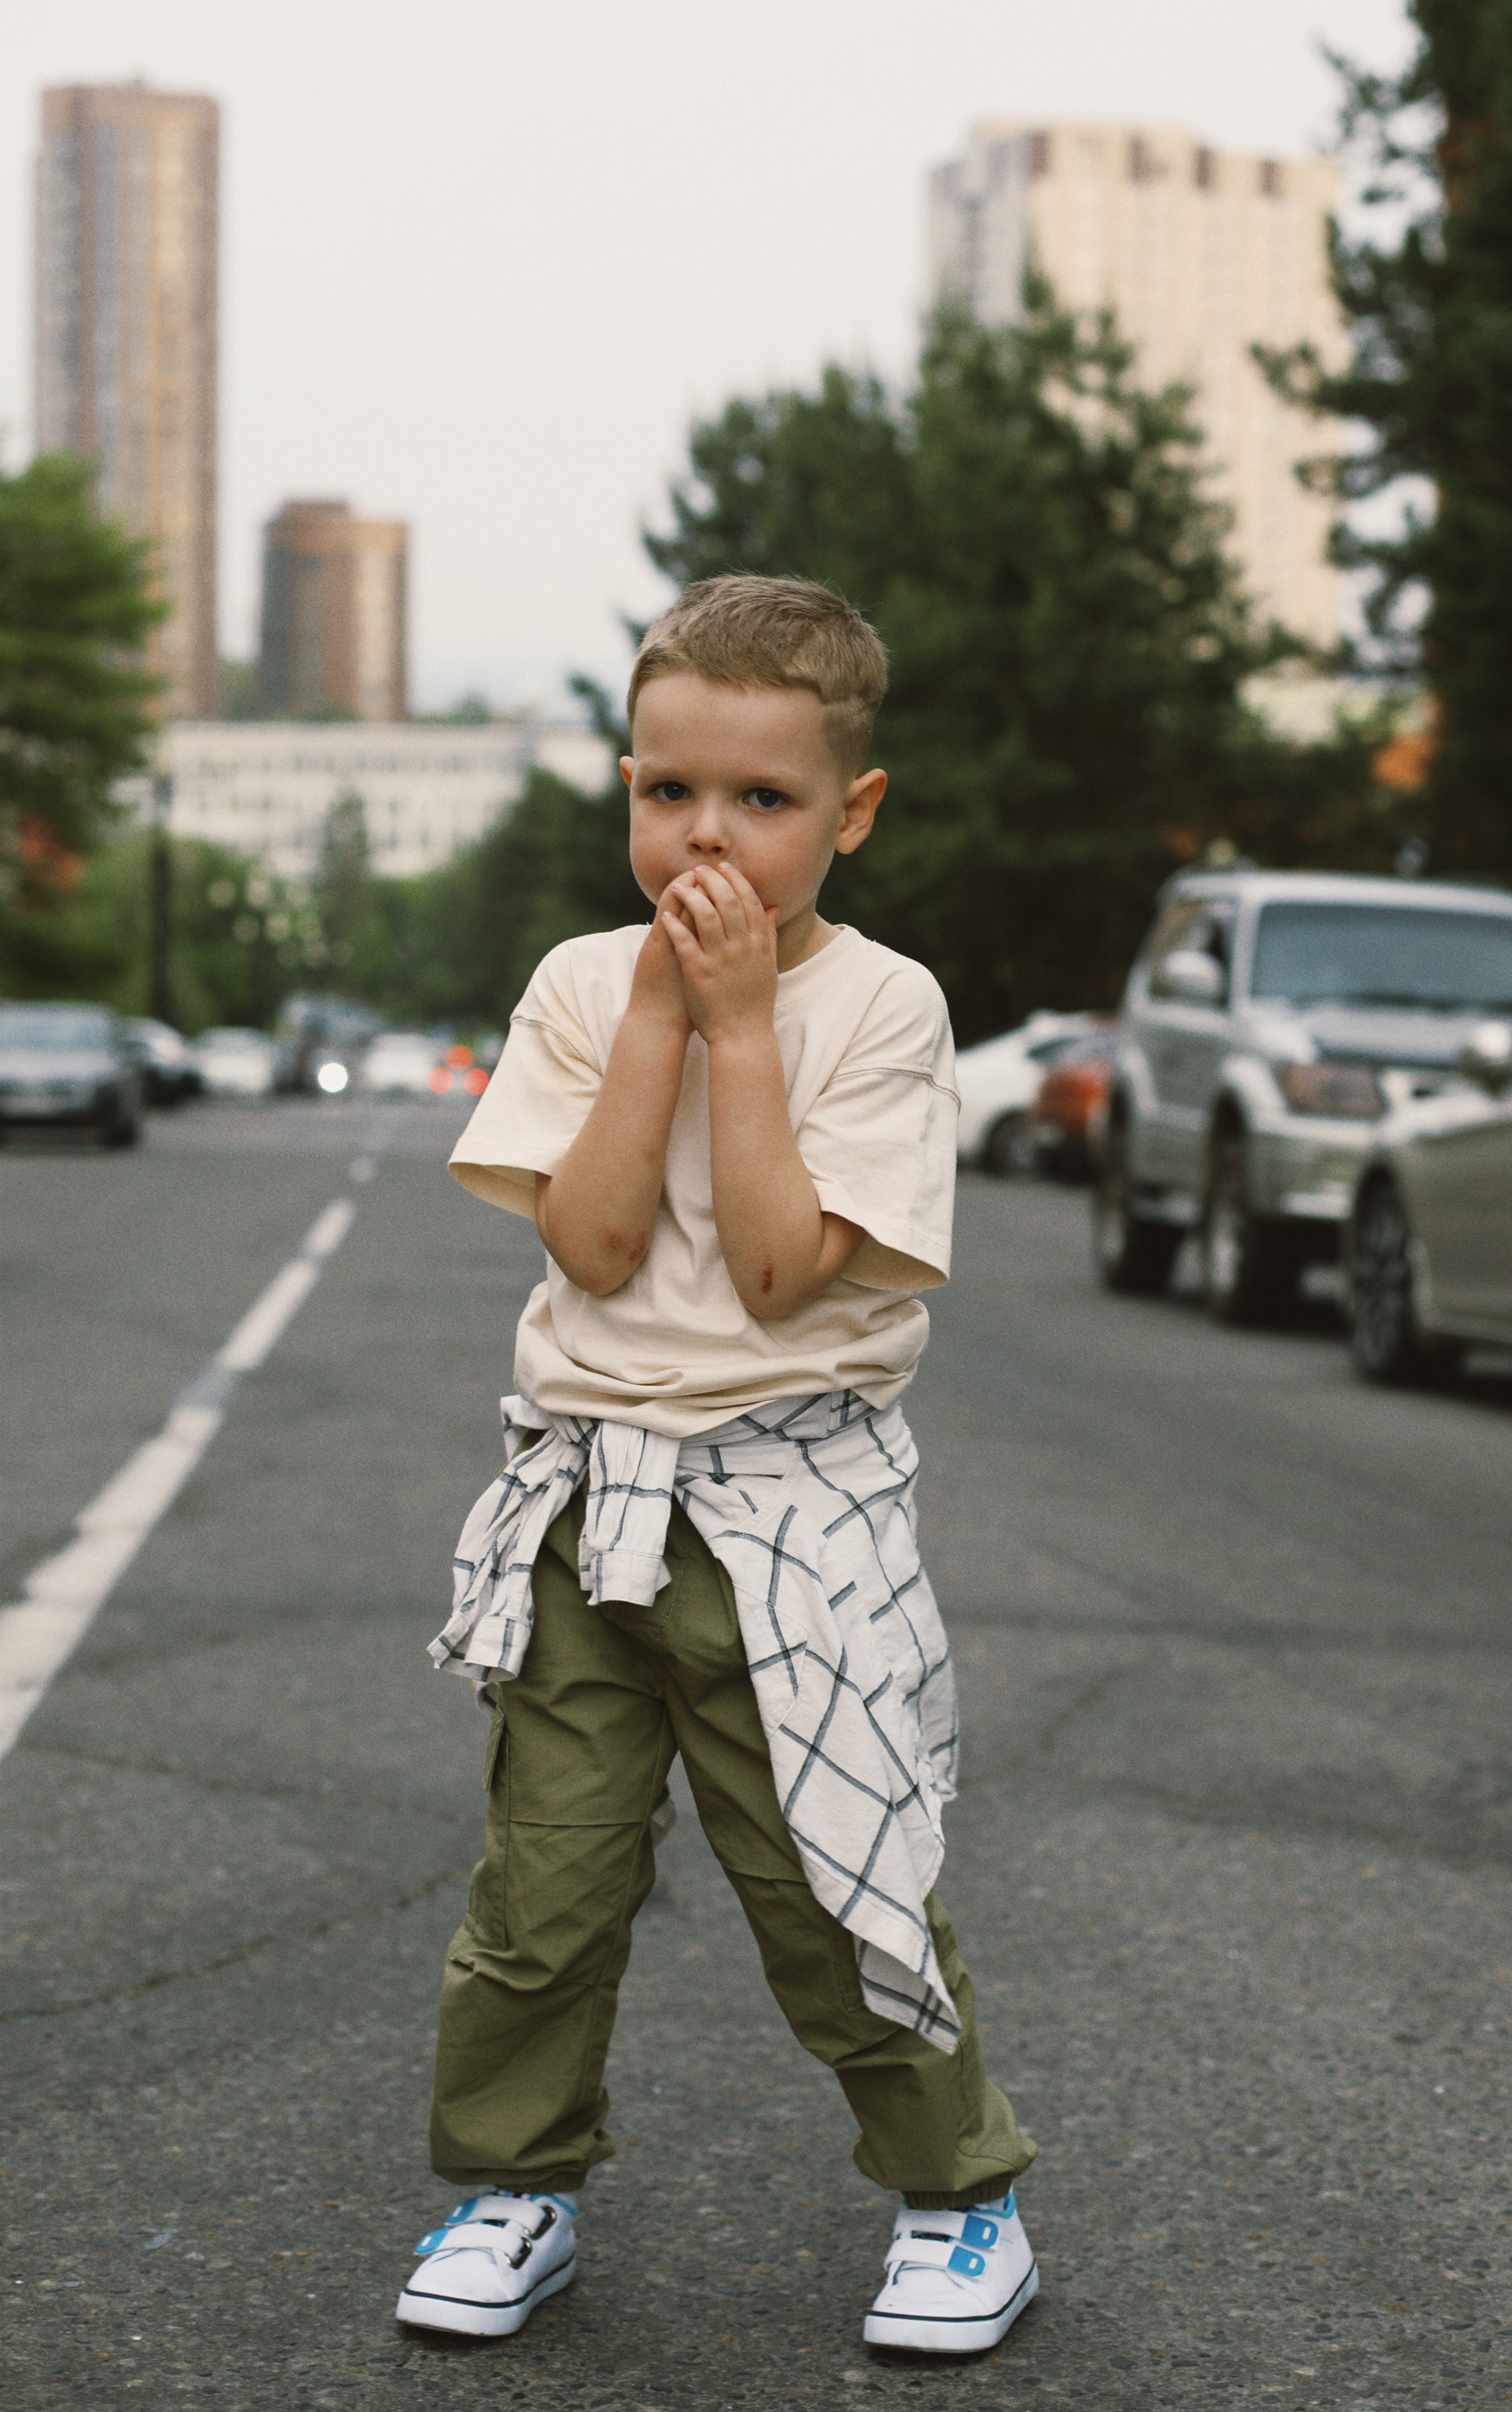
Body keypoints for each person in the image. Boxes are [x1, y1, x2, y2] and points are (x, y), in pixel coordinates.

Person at [396, 575, 1038, 2354]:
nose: (709, 836)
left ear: (853, 811)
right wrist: (664, 1015)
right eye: (670, 790)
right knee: (544, 1889)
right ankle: (512, 2184)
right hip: (589, 1503)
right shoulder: (580, 986)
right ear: (627, 787)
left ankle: (961, 2200)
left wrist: (742, 1025)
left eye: (763, 799)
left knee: (837, 1877)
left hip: (791, 1514)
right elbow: (596, 1244)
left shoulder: (884, 1006)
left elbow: (775, 1270)